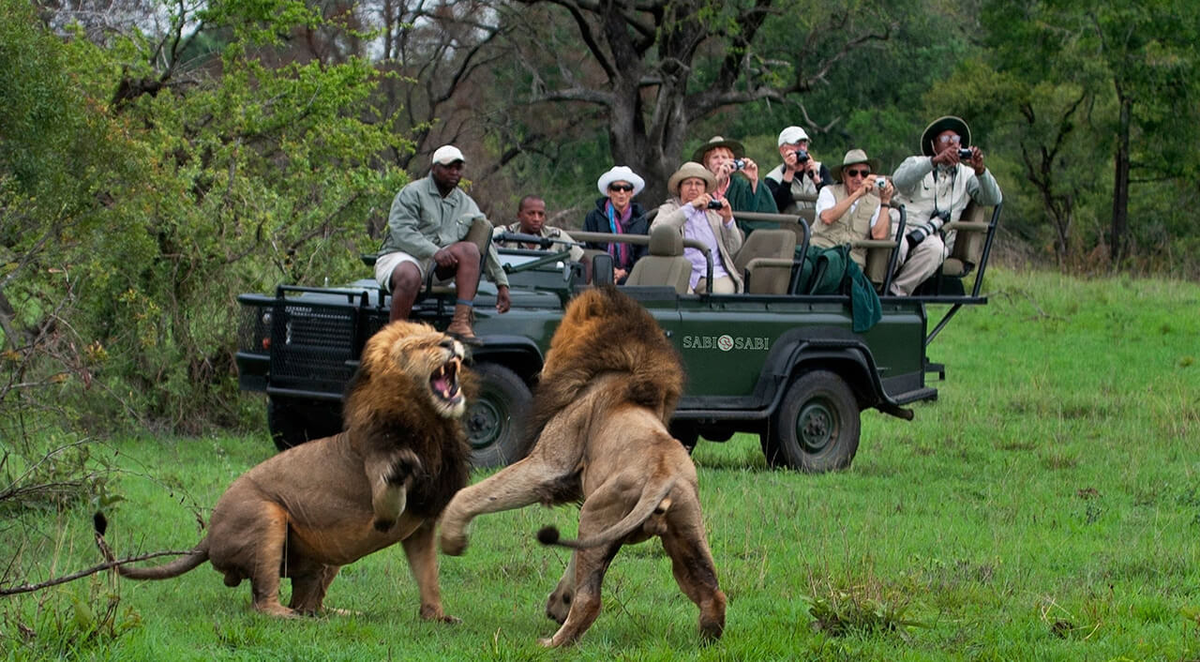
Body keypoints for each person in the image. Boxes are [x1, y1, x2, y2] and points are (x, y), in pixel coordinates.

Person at [375, 145, 510, 343]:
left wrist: (501, 284)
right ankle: (393, 338)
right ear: (434, 168)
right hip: (400, 255)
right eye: (449, 167)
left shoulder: (466, 204)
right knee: (409, 275)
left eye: (458, 168)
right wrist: (434, 251)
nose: (454, 173)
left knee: (471, 250)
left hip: (437, 266)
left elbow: (485, 239)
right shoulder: (413, 192)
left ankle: (460, 323)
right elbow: (401, 231)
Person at [890, 115, 1003, 296]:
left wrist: (981, 171)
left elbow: (994, 198)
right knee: (899, 246)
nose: (952, 143)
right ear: (934, 146)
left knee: (937, 250)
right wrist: (934, 162)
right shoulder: (917, 162)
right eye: (945, 139)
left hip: (934, 235)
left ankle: (895, 294)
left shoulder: (967, 176)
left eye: (956, 139)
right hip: (903, 226)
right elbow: (899, 181)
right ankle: (874, 288)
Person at [652, 161, 744, 294]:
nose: (693, 188)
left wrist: (728, 219)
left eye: (699, 184)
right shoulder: (669, 208)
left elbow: (733, 247)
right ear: (680, 188)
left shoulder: (714, 212)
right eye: (688, 183)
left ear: (705, 189)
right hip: (680, 272)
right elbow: (656, 232)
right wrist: (690, 207)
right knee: (679, 296)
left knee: (720, 294)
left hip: (714, 273)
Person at [814, 149, 894, 270]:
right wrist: (857, 194)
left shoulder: (875, 202)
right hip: (822, 253)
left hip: (852, 262)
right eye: (853, 173)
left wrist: (885, 202)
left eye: (864, 173)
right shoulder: (828, 191)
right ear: (843, 176)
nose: (859, 177)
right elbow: (827, 217)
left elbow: (879, 235)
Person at [583, 166, 650, 284]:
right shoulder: (593, 217)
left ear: (632, 192)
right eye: (616, 188)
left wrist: (625, 272)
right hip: (598, 277)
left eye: (626, 188)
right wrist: (607, 270)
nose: (622, 192)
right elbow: (587, 249)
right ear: (609, 191)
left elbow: (644, 254)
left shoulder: (641, 219)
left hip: (632, 278)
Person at [692, 136, 778, 218]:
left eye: (724, 157)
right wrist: (717, 179)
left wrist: (754, 180)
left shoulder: (739, 184)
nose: (720, 161)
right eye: (715, 157)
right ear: (707, 164)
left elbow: (759, 208)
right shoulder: (700, 183)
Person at [494, 195, 585, 262]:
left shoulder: (555, 236)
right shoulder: (505, 233)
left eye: (540, 214)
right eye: (531, 213)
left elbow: (584, 261)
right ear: (519, 215)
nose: (536, 219)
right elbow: (483, 241)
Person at [765, 126, 833, 214]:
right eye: (797, 144)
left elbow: (833, 200)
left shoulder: (820, 168)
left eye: (804, 144)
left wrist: (816, 179)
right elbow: (778, 206)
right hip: (791, 226)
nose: (802, 149)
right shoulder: (773, 178)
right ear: (783, 150)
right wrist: (789, 172)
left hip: (819, 225)